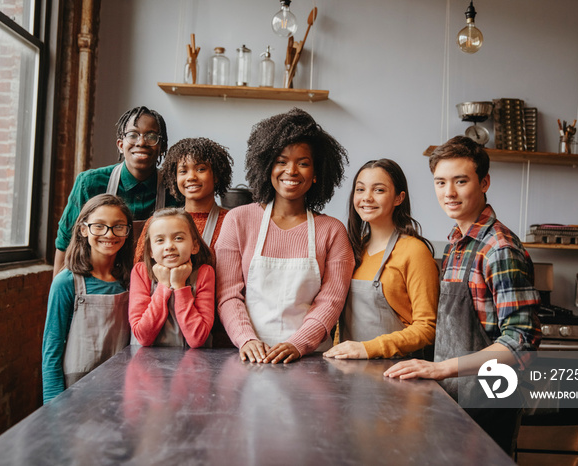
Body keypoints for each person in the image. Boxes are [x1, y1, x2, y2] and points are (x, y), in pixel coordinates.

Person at [384, 136, 541, 455]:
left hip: (489, 403)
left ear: (484, 182)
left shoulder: (499, 249)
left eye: (460, 181)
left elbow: (521, 341)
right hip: (455, 398)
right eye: (440, 182)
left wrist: (440, 369)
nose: (449, 192)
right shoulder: (457, 243)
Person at [215, 107, 354, 364]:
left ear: (316, 175)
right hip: (249, 357)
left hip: (309, 359)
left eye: (303, 163)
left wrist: (297, 344)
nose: (291, 171)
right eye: (281, 161)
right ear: (267, 166)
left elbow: (332, 300)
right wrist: (247, 339)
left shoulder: (332, 231)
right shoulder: (238, 220)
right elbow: (228, 294)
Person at [323, 159, 439, 360]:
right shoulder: (351, 249)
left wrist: (368, 348)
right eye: (360, 190)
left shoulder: (414, 251)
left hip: (397, 372)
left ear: (398, 198)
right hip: (349, 370)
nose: (366, 198)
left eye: (378, 190)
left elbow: (427, 328)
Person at [53, 106, 173, 276]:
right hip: (98, 283)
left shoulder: (174, 188)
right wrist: (58, 292)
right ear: (120, 144)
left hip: (153, 287)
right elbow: (65, 242)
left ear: (162, 146)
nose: (141, 142)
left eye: (151, 136)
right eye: (133, 135)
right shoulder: (89, 183)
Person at [42, 194, 134, 403]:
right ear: (83, 229)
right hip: (76, 390)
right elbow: (52, 351)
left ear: (128, 231)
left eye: (118, 226)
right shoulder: (66, 282)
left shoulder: (131, 280)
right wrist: (53, 407)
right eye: (99, 226)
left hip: (121, 388)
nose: (109, 234)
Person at [133, 137, 233, 262]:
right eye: (183, 171)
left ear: (217, 175)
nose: (191, 177)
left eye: (201, 169)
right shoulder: (156, 222)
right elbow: (140, 271)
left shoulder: (231, 222)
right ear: (174, 178)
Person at [129, 208, 215, 347]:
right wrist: (163, 285)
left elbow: (197, 339)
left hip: (194, 364)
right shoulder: (141, 272)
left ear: (194, 246)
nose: (169, 246)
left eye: (178, 238)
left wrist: (180, 285)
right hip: (147, 363)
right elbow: (142, 337)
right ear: (150, 250)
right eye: (160, 240)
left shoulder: (204, 273)